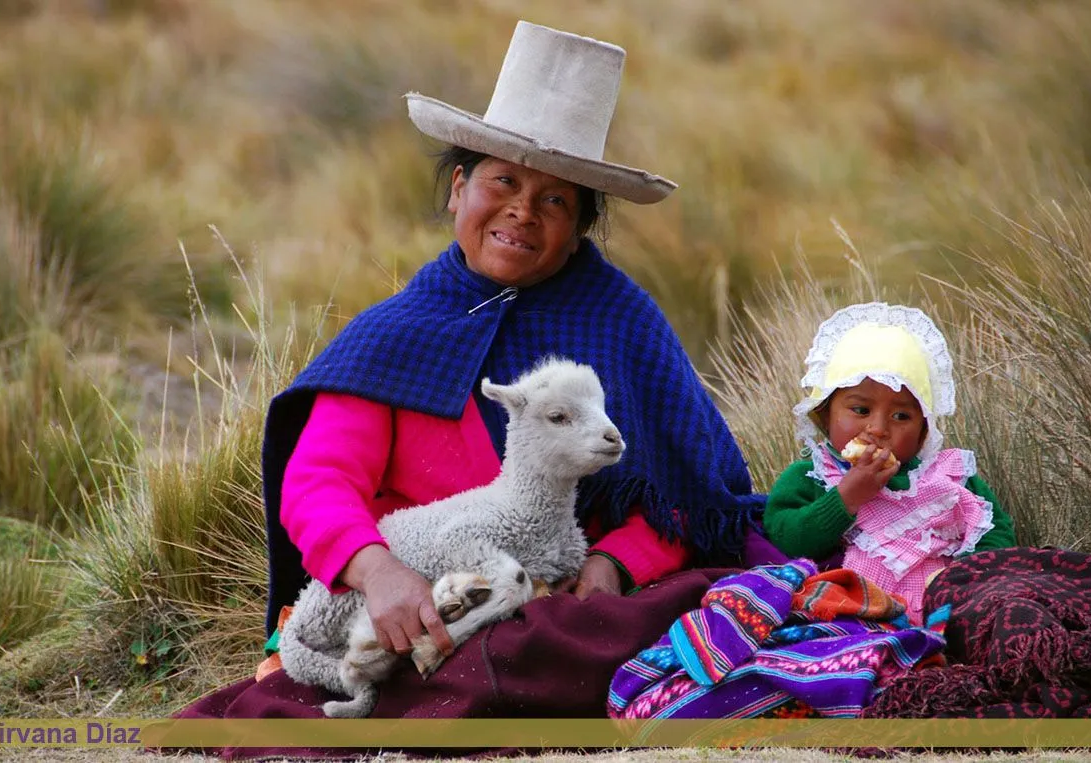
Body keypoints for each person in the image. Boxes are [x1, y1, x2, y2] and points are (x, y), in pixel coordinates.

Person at [258, 19, 766, 682]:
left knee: (672, 626)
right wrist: (377, 571)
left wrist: (615, 563)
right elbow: (319, 480)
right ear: (457, 189)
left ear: (579, 228)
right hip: (420, 596)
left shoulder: (621, 323)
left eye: (553, 199)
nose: (523, 211)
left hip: (570, 599)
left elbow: (687, 490)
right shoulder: (395, 334)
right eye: (502, 183)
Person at [762, 302, 1015, 623]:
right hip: (853, 615)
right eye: (861, 410)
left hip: (947, 609)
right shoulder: (811, 476)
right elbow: (786, 539)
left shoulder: (947, 477)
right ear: (825, 414)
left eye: (901, 416)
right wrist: (846, 498)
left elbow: (995, 531)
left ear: (924, 430)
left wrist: (963, 575)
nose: (879, 428)